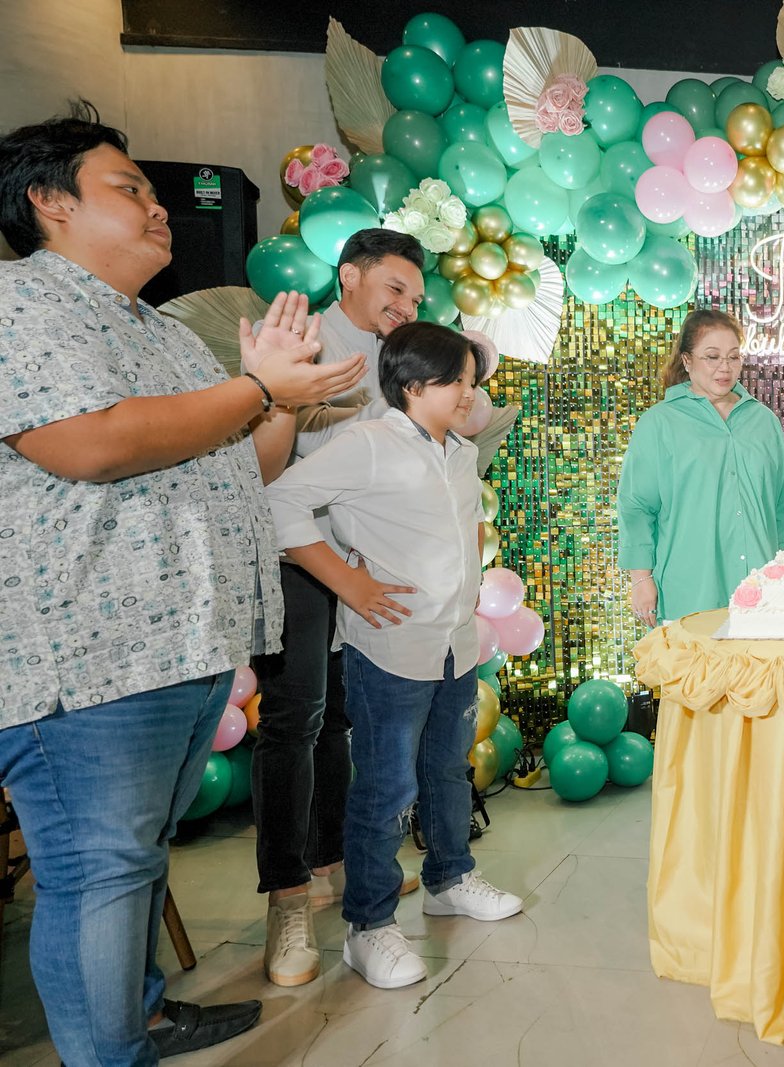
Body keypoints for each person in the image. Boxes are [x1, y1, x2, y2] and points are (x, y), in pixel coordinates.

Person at [0, 104, 364, 1065]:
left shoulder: (161, 332)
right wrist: (259, 390)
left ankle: (142, 1015)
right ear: (48, 202)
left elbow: (250, 466)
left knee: (135, 859)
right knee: (99, 871)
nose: (158, 207)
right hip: (88, 660)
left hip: (181, 651)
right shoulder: (18, 304)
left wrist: (279, 393)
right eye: (129, 188)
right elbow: (89, 444)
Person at [265, 321, 523, 990]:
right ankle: (369, 925)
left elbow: (462, 528)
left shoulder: (459, 451)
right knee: (385, 789)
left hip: (454, 646)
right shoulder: (369, 445)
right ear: (411, 384)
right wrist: (345, 581)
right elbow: (279, 500)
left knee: (447, 771)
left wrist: (465, 585)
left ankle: (449, 878)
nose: (468, 393)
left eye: (471, 381)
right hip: (391, 649)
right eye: (456, 381)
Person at [252, 227, 427, 989]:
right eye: (395, 288)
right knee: (293, 719)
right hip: (296, 556)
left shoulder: (397, 359)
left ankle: (331, 859)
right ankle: (287, 896)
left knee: (342, 717)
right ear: (350, 275)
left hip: (365, 563)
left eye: (416, 296)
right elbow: (268, 470)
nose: (405, 305)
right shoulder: (300, 343)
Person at [619, 308, 784, 626]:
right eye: (712, 357)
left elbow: (783, 503)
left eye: (733, 357)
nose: (724, 367)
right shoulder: (659, 423)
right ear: (687, 360)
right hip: (689, 592)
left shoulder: (764, 421)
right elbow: (637, 507)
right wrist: (641, 579)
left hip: (763, 592)